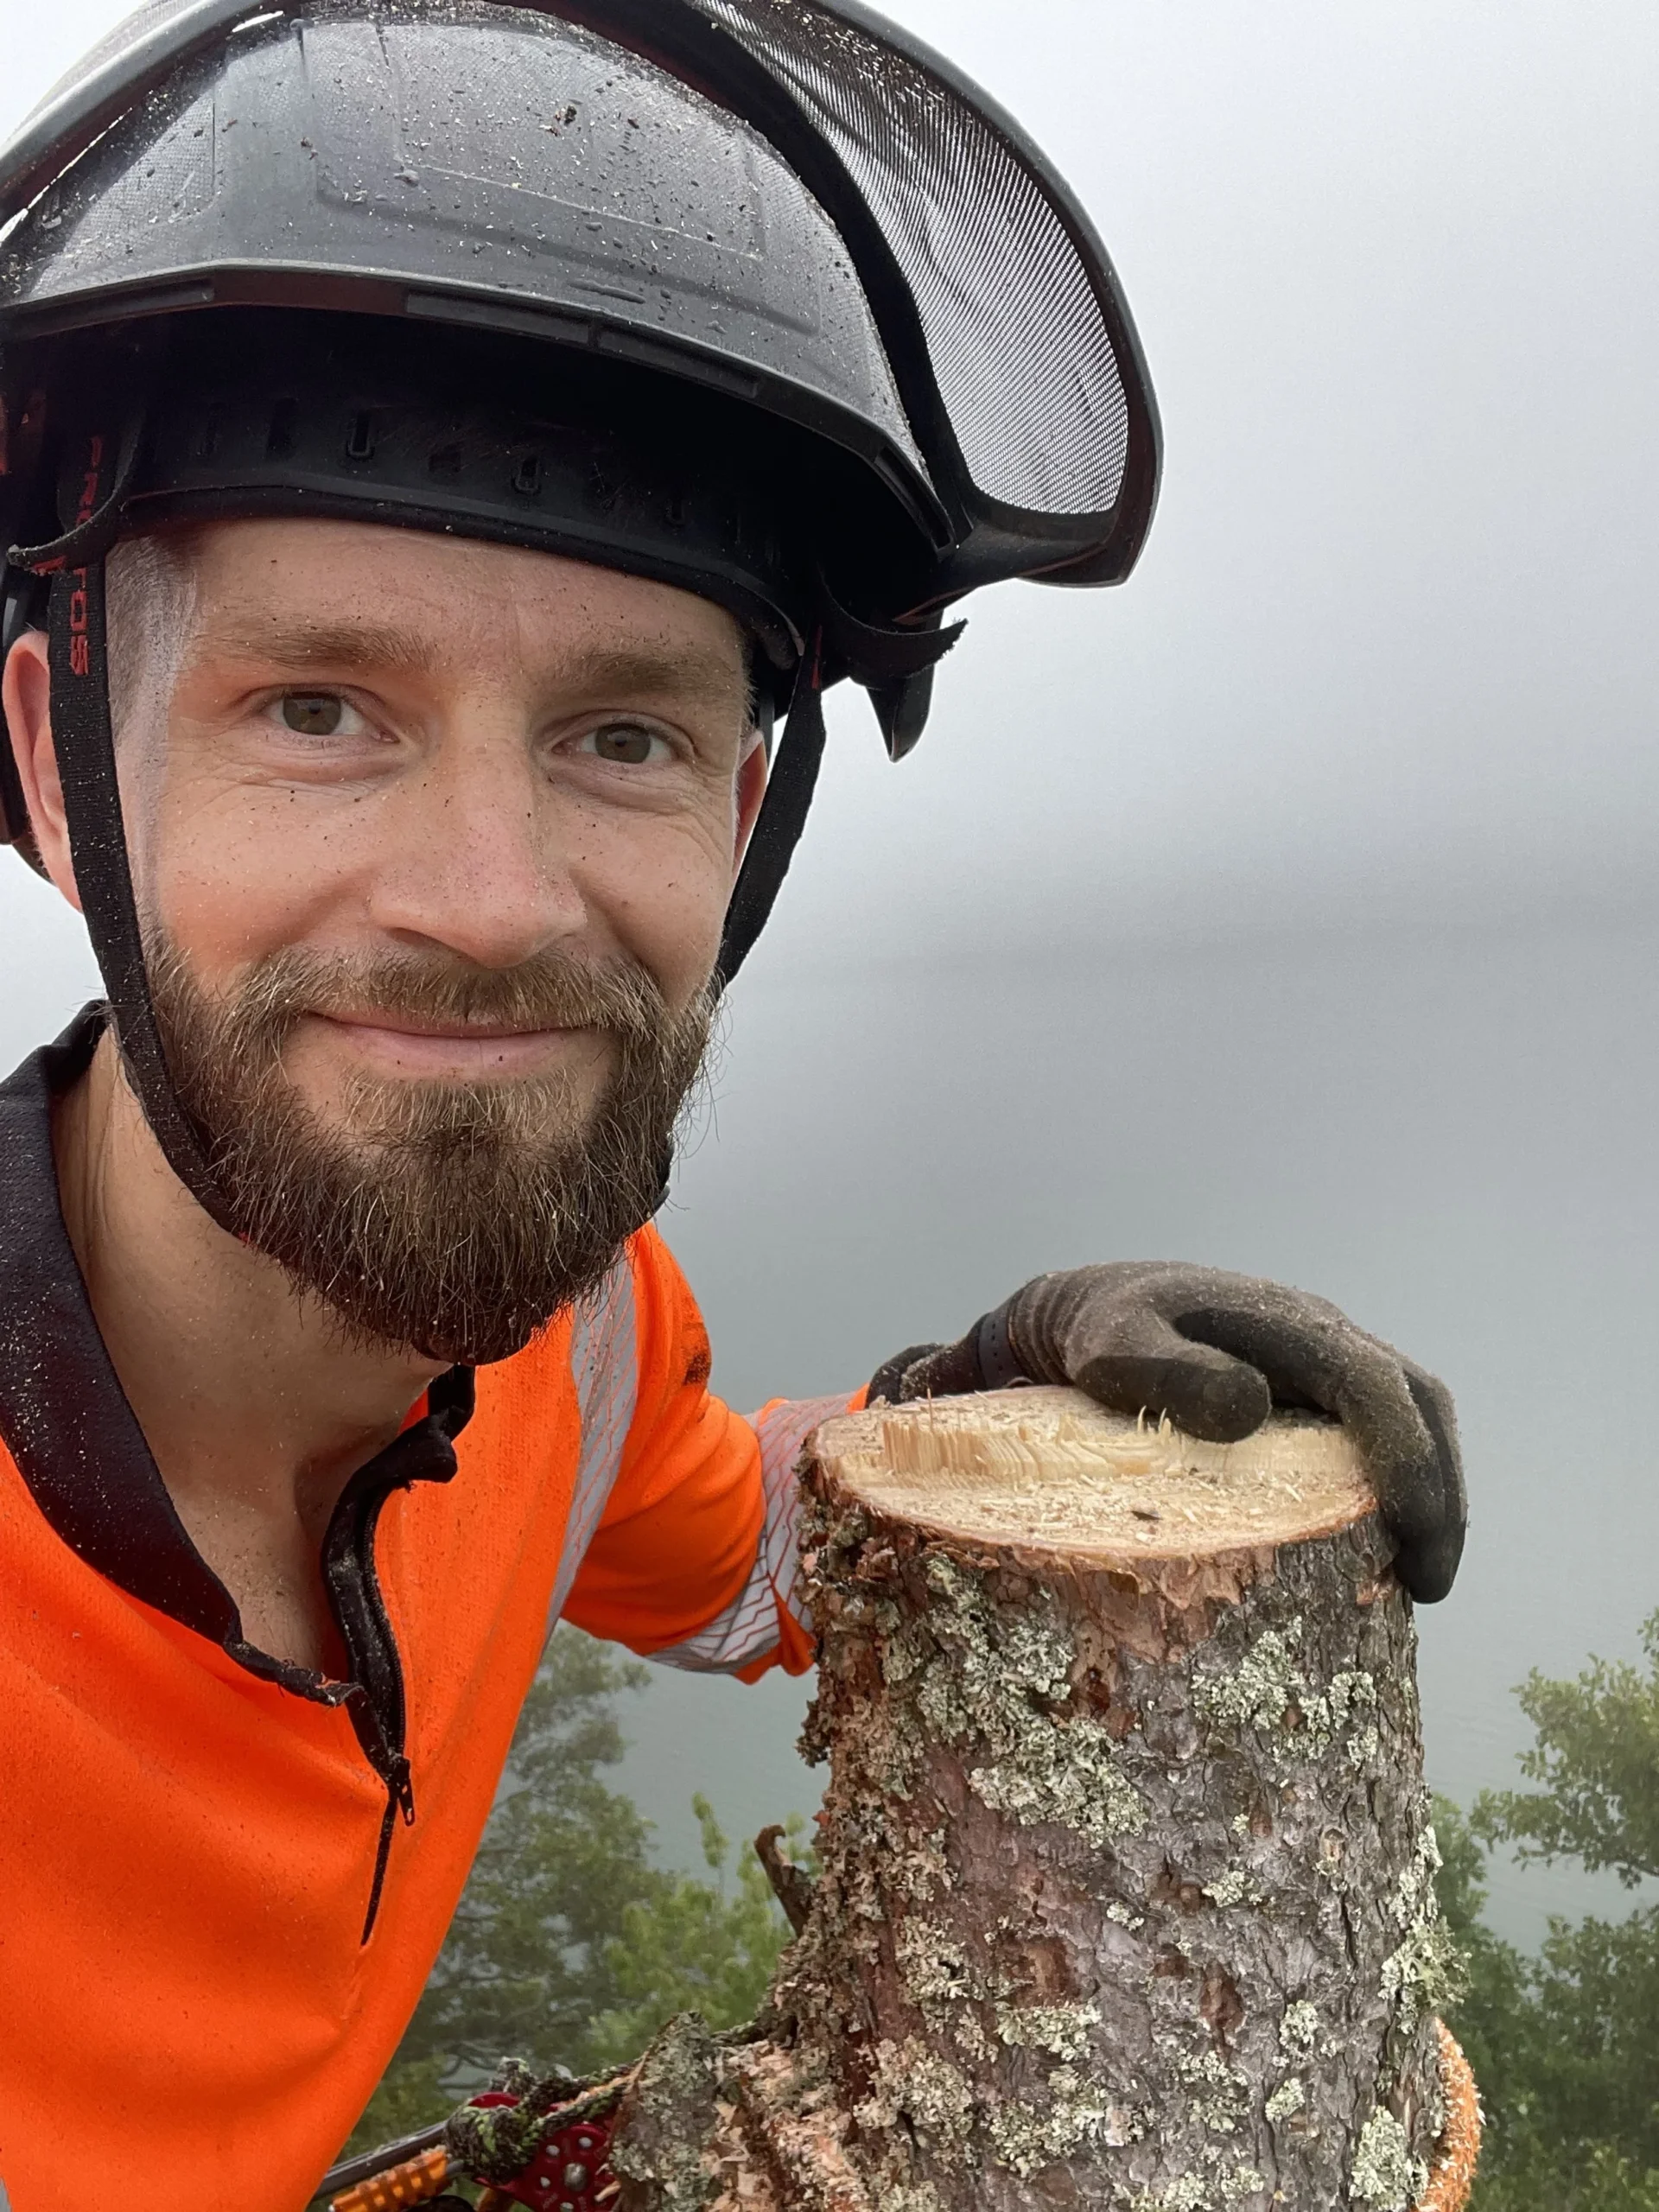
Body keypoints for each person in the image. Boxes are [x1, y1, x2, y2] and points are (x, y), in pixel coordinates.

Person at [0, 2, 1466, 2202]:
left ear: (745, 809)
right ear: (53, 760)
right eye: (319, 704)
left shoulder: (571, 1329)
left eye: (624, 738)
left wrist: (968, 1416)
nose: (493, 903)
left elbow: (722, 1544)